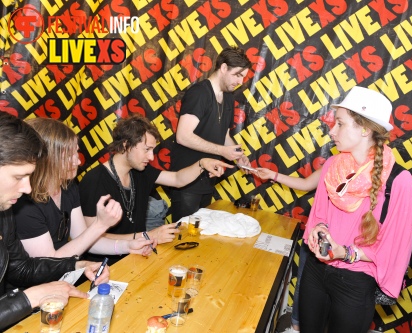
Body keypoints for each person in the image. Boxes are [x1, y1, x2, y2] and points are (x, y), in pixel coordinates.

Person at [299, 86, 412, 332]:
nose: (332, 131)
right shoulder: (333, 164)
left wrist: (346, 253)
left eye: (340, 124)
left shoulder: (399, 180)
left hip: (355, 281)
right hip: (316, 270)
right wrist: (319, 230)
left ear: (365, 128)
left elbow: (394, 247)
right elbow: (318, 214)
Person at [0, 113, 109, 330]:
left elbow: (21, 267)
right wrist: (29, 298)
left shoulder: (4, 212)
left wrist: (77, 264)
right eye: (18, 177)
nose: (28, 189)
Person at [79, 114, 231, 264]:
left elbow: (177, 179)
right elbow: (92, 239)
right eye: (147, 149)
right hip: (105, 267)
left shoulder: (140, 171)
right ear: (126, 145)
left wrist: (202, 163)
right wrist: (147, 235)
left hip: (138, 256)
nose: (151, 157)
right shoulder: (94, 182)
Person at [14, 117, 155, 258]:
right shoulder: (26, 204)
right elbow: (48, 262)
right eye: (69, 156)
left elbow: (84, 240)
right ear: (48, 158)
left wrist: (128, 246)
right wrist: (100, 225)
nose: (78, 161)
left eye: (76, 152)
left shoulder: (68, 187)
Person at [169, 46, 252, 222]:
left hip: (207, 180)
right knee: (181, 238)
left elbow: (223, 135)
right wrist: (222, 152)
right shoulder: (199, 93)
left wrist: (239, 156)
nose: (240, 81)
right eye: (237, 75)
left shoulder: (228, 96)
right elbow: (183, 136)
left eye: (243, 77)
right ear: (223, 68)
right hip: (187, 182)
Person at [255, 167, 322, 333]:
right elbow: (306, 184)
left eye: (337, 137)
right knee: (304, 284)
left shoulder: (379, 169)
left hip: (347, 248)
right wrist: (274, 175)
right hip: (316, 236)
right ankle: (295, 327)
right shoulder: (334, 161)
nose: (333, 138)